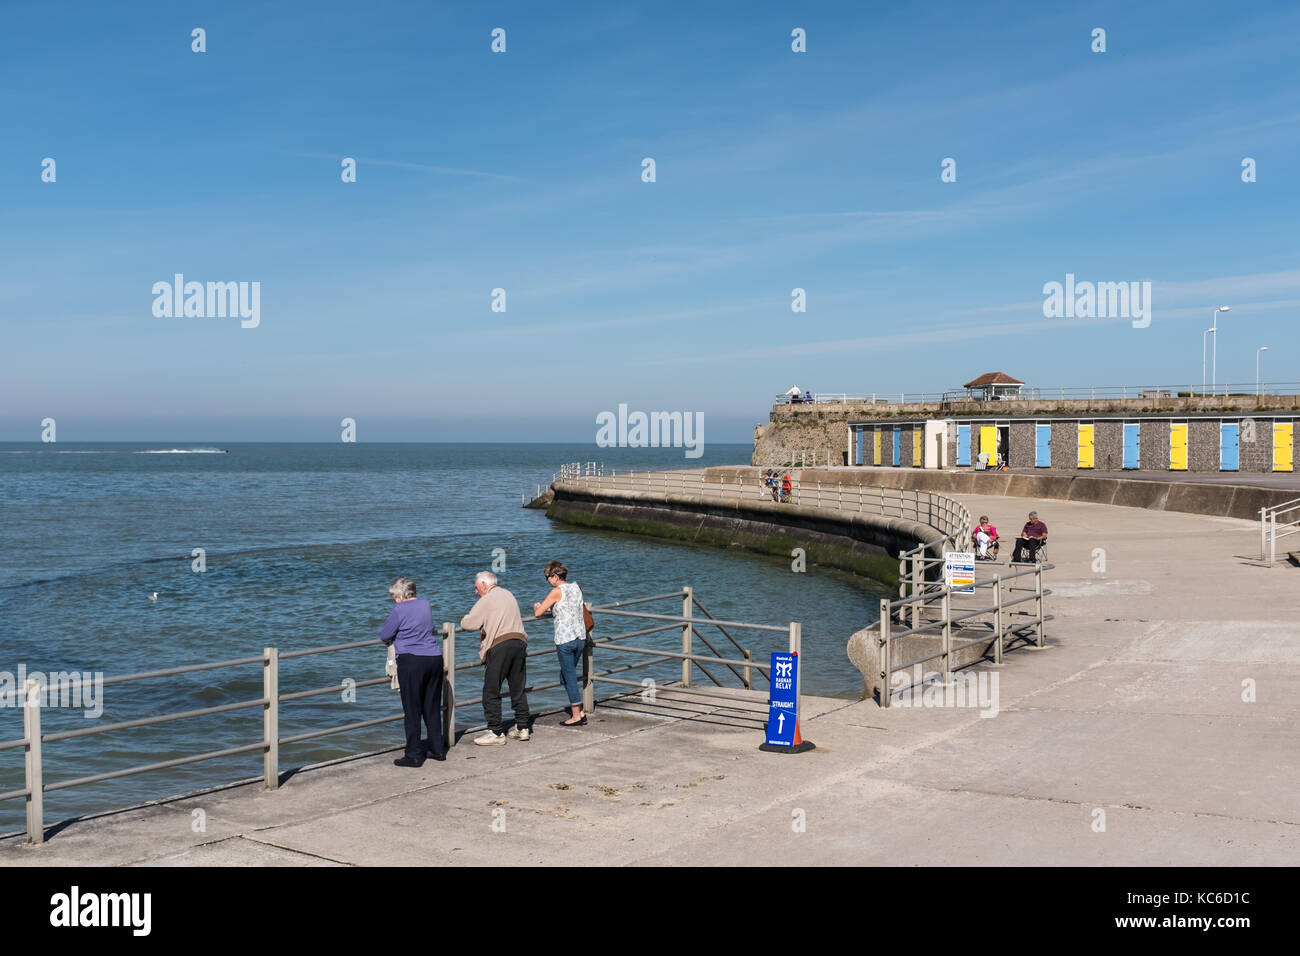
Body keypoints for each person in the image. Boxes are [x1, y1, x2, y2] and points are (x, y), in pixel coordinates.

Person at [377, 577, 445, 767]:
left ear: (401, 595)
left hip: (412, 661)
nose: (393, 599)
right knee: (431, 707)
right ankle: (437, 749)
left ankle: (414, 754)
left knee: (412, 709)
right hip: (434, 658)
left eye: (394, 596)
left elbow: (384, 634)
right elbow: (430, 628)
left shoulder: (399, 609)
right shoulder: (425, 604)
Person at [460, 571, 531, 745]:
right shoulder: (508, 594)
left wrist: (463, 619)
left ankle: (496, 732)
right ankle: (522, 727)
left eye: (476, 587)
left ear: (484, 584)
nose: (476, 591)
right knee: (517, 687)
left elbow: (469, 624)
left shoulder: (487, 599)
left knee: (491, 690)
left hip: (501, 645)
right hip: (519, 642)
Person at [532, 560, 588, 727]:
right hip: (580, 638)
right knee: (565, 676)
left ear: (555, 576)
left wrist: (538, 607)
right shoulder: (576, 587)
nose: (547, 580)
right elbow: (569, 607)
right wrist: (553, 609)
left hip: (565, 640)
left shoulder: (556, 591)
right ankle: (581, 711)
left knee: (569, 678)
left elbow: (538, 613)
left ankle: (576, 716)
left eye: (547, 577)